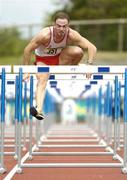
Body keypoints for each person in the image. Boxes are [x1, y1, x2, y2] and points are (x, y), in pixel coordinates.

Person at [23, 12, 97, 120]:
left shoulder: (71, 34)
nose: (61, 29)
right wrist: (26, 70)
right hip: (43, 60)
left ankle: (74, 67)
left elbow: (92, 47)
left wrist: (90, 65)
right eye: (58, 26)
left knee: (78, 51)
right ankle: (39, 109)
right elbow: (27, 50)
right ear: (54, 25)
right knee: (42, 79)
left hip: (60, 58)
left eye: (64, 26)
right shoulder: (45, 35)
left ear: (68, 26)